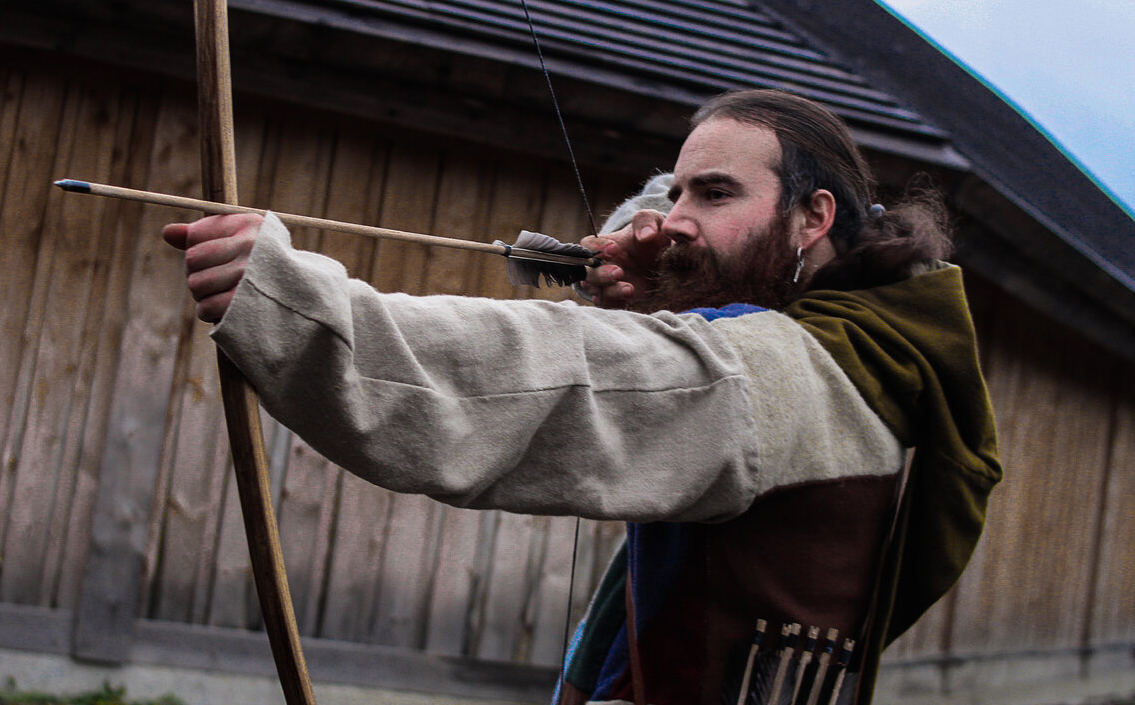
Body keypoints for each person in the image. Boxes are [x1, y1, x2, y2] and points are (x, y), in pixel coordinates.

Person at [164, 89, 1000, 705]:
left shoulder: (793, 373)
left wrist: (292, 303)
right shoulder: (882, 351)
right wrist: (659, 256)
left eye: (713, 194)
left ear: (813, 218)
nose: (674, 217)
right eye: (674, 194)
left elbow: (548, 376)